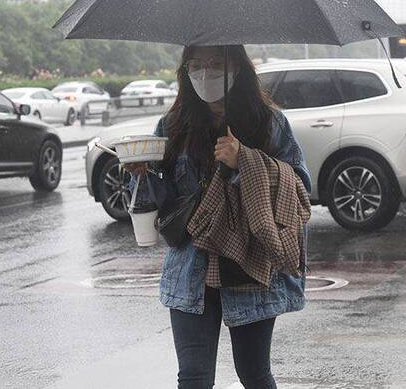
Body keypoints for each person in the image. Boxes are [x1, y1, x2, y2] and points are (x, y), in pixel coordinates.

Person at [126, 45, 311, 389]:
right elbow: (162, 200)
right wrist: (141, 174)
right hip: (190, 265)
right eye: (195, 65)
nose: (204, 73)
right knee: (194, 378)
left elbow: (299, 185)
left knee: (254, 374)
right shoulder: (173, 124)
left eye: (215, 63)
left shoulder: (269, 123)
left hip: (249, 261)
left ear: (237, 67)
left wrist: (246, 160)